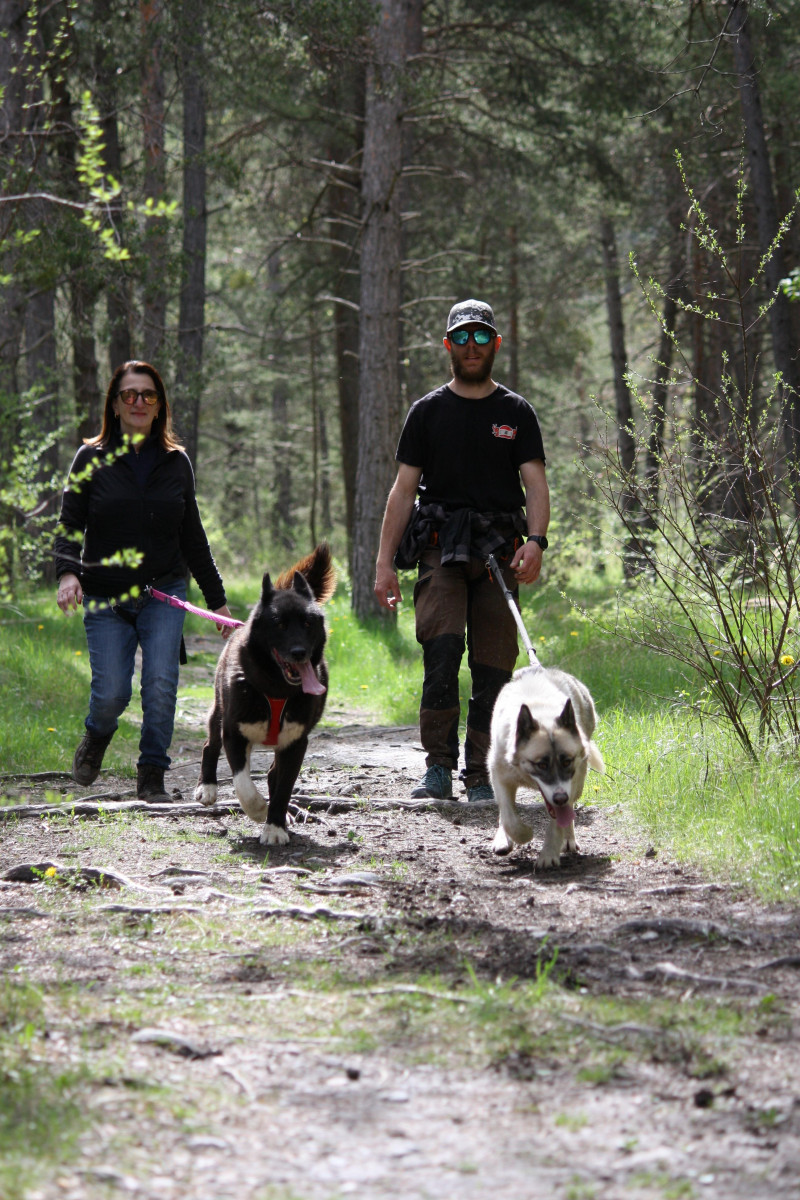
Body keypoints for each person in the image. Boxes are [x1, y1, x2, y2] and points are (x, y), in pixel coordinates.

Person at [374, 299, 549, 803]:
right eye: (463, 338)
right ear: (448, 345)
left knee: (494, 666)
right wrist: (384, 563)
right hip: (440, 551)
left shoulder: (516, 412)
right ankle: (438, 768)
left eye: (481, 337)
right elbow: (402, 492)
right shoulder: (427, 412)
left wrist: (536, 541)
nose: (472, 347)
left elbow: (535, 485)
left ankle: (481, 774)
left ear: (495, 344)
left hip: (500, 555)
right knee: (442, 653)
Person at [55, 360, 233, 803]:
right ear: (114, 405)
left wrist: (218, 604)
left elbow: (193, 538)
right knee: (111, 694)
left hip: (163, 593)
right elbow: (70, 525)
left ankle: (152, 773)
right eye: (129, 394)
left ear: (159, 406)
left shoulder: (176, 462)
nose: (139, 402)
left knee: (160, 685)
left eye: (148, 395)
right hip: (105, 597)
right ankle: (97, 734)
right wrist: (68, 573)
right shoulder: (90, 458)